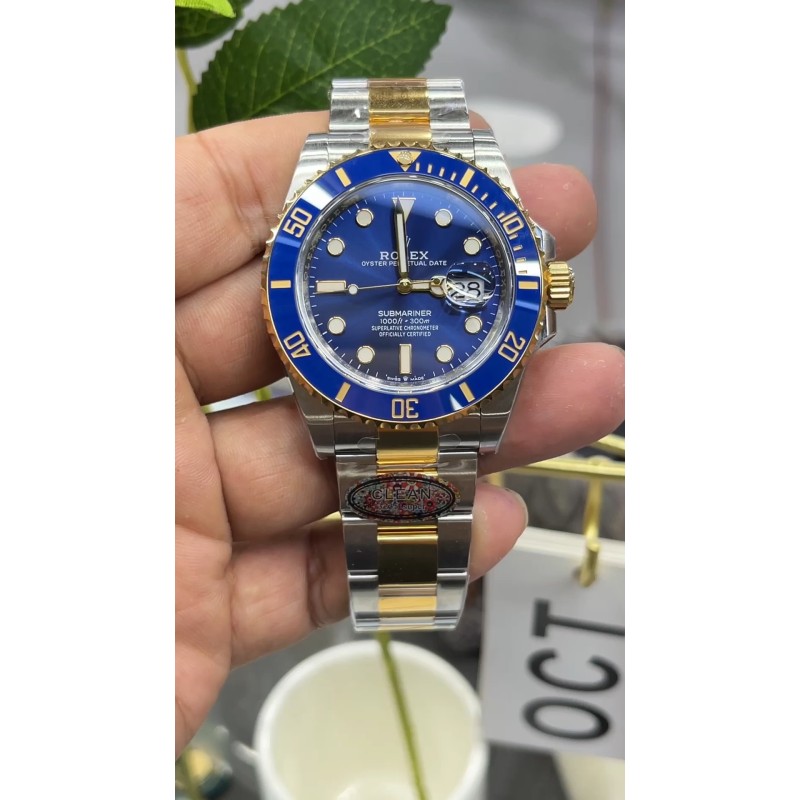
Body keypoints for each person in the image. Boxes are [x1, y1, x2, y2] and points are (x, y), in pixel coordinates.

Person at [175, 111, 625, 756]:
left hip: (412, 388)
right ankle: (408, 605)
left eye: (412, 283)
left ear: (545, 285)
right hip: (381, 389)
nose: (407, 286)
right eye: (402, 282)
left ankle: (410, 603)